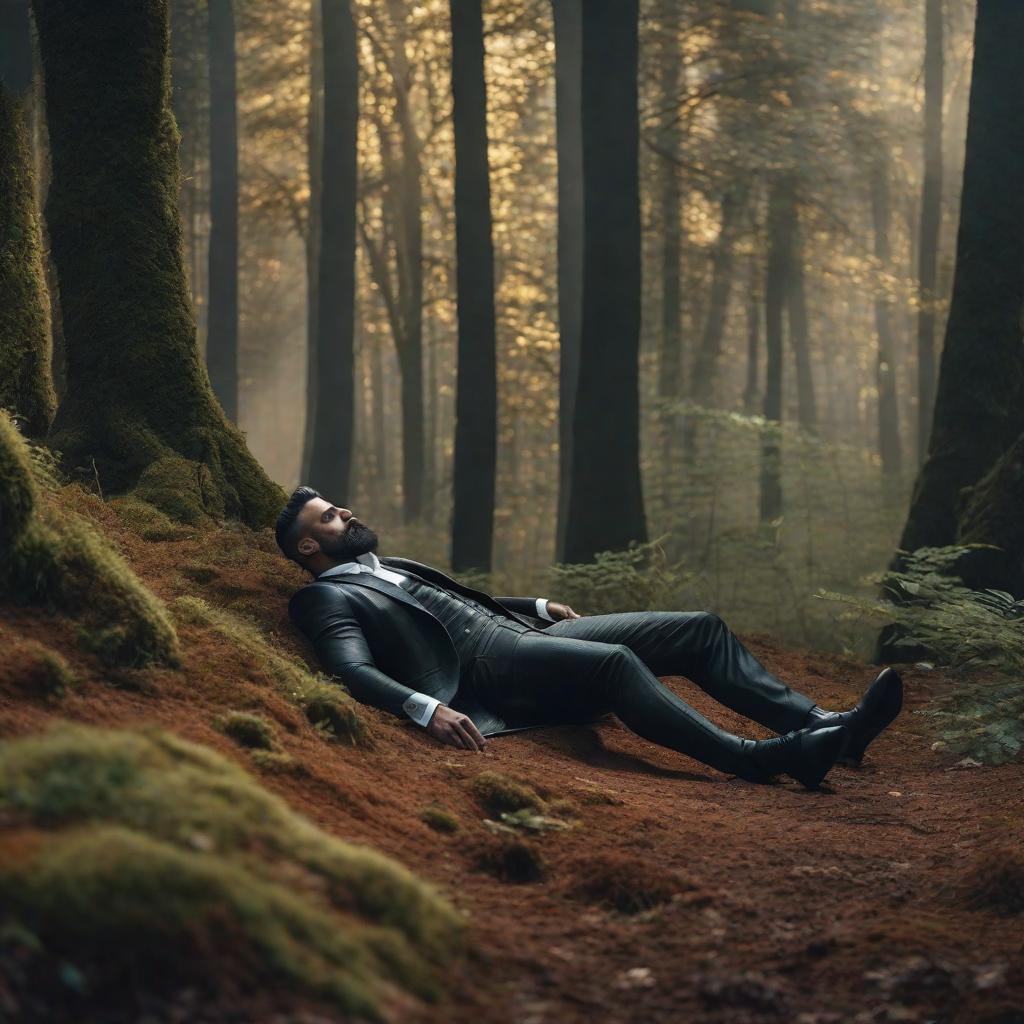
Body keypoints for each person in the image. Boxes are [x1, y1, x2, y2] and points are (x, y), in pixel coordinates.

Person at [277, 486, 902, 790]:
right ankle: (760, 757)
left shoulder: (387, 567)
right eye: (330, 517)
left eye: (339, 507)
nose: (347, 514)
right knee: (616, 663)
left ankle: (830, 728)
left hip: (519, 633)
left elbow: (458, 600)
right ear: (309, 546)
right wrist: (426, 707)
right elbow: (350, 670)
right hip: (495, 673)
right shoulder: (326, 596)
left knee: (699, 629)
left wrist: (538, 605)